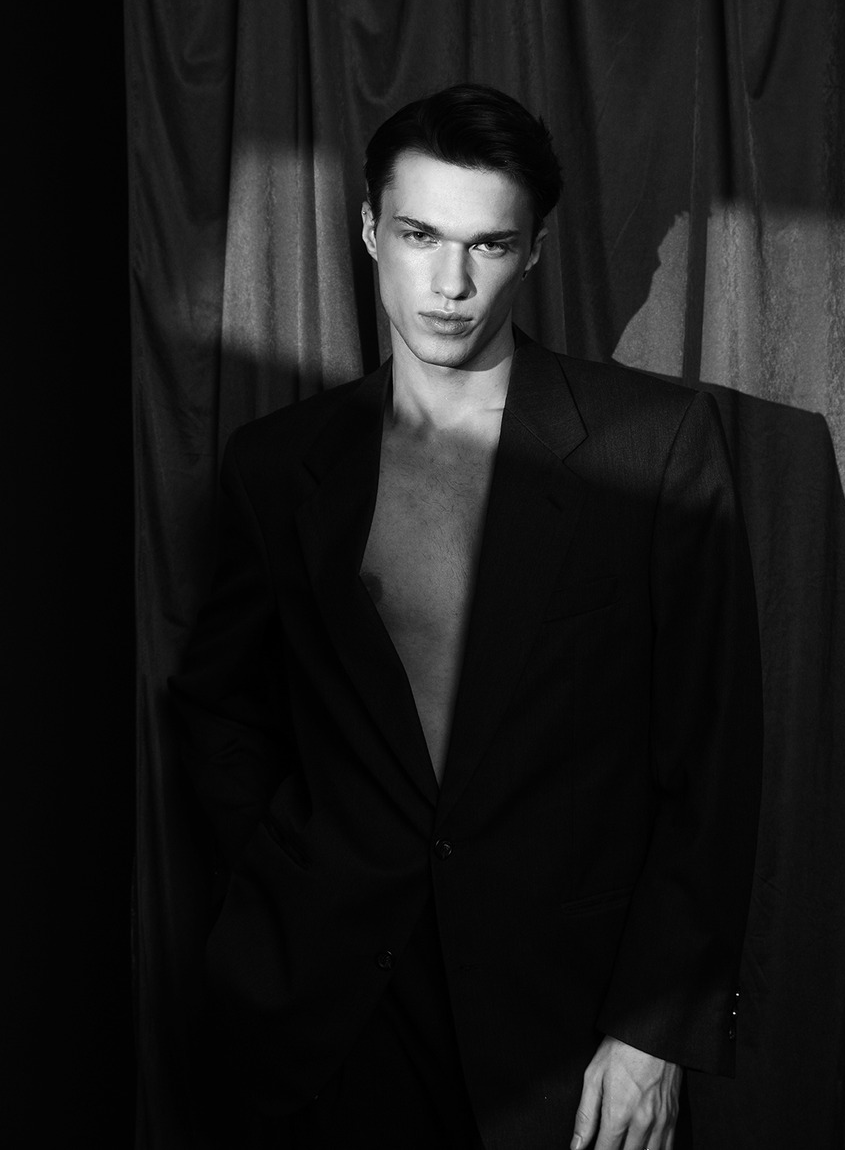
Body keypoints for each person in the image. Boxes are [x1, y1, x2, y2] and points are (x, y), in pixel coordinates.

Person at [171, 83, 762, 1150]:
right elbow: (222, 706)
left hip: (561, 1025)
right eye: (420, 236)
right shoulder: (278, 464)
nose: (450, 285)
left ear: (533, 251)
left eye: (488, 244)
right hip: (326, 1011)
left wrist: (654, 1033)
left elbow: (714, 761)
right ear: (370, 231)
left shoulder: (655, 448)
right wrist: (290, 876)